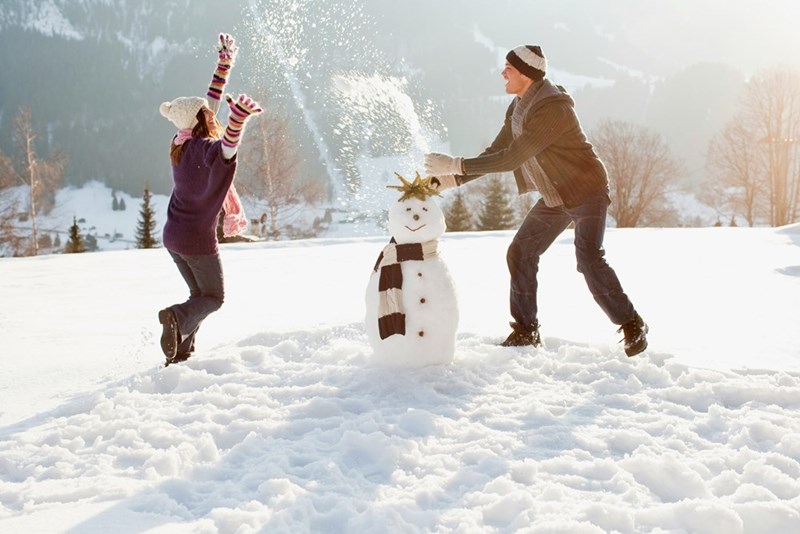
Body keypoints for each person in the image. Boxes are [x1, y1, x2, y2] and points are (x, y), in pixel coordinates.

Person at [423, 45, 648, 356]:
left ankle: (632, 324)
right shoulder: (517, 107)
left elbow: (515, 157)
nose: (503, 72)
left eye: (509, 69)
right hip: (556, 195)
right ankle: (526, 331)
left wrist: (457, 164)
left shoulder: (553, 109)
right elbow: (496, 152)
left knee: (588, 258)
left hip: (587, 192)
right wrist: (454, 179)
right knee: (521, 252)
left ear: (526, 74)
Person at [157, 33, 262, 365]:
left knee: (198, 297)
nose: (209, 110)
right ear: (203, 119)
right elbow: (228, 149)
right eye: (207, 112)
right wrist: (239, 120)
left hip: (173, 237)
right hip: (196, 241)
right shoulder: (205, 151)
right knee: (214, 297)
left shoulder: (182, 143)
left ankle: (180, 352)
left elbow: (210, 103)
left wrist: (224, 64)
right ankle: (174, 318)